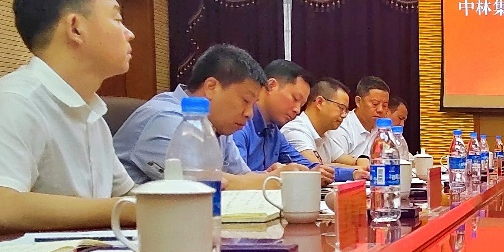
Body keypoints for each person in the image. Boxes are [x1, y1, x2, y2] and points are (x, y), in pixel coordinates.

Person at [0, 0, 137, 239]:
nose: (129, 33)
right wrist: (128, 210)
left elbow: (126, 193)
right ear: (75, 28)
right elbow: (0, 209)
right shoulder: (13, 100)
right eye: (117, 19)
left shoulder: (91, 113)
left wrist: (180, 199)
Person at [113, 44, 281, 189]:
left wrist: (275, 175)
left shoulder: (217, 125)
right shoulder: (165, 118)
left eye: (253, 105)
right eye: (245, 100)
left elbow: (242, 177)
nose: (249, 114)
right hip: (123, 215)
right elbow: (200, 184)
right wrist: (271, 181)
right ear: (211, 87)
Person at [230, 60, 333, 183]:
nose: (297, 110)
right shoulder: (239, 123)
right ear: (271, 85)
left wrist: (352, 173)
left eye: (302, 105)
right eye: (295, 98)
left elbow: (312, 167)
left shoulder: (274, 133)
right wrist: (276, 175)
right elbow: (235, 176)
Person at [321, 76, 390, 167]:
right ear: (358, 101)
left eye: (384, 105)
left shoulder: (383, 130)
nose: (380, 110)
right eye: (375, 104)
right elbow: (333, 162)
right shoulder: (341, 126)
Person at [282, 77, 350, 164]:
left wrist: (361, 160)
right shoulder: (295, 131)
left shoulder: (325, 136)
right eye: (341, 108)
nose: (344, 115)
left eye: (346, 110)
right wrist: (356, 169)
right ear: (319, 102)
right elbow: (316, 168)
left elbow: (349, 161)